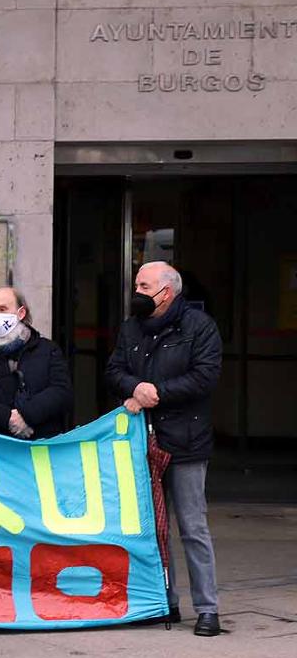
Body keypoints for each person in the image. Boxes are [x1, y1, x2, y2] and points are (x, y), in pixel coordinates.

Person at [106, 261, 223, 637]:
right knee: (153, 528)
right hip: (144, 440)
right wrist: (134, 387)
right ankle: (163, 601)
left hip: (187, 442)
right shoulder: (131, 328)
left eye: (143, 286)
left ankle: (207, 609)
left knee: (192, 526)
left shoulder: (200, 327)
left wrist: (156, 393)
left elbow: (205, 377)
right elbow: (114, 371)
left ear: (166, 291)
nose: (136, 292)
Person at [0, 287, 73, 440]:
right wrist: (7, 418)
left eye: (2, 309)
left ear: (21, 313)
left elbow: (61, 392)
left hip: (42, 445)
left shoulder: (48, 350)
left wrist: (26, 415)